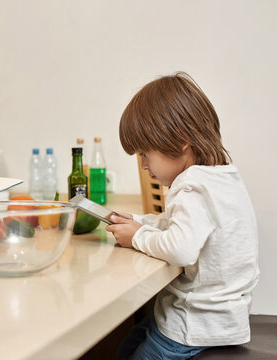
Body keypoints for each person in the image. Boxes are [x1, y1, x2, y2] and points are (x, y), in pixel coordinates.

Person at [107, 73, 259, 360]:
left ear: (179, 142)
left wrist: (137, 236)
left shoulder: (191, 187)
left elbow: (181, 248)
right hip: (222, 319)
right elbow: (183, 226)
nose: (143, 165)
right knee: (128, 344)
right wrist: (141, 222)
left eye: (145, 154)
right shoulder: (221, 178)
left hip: (194, 325)